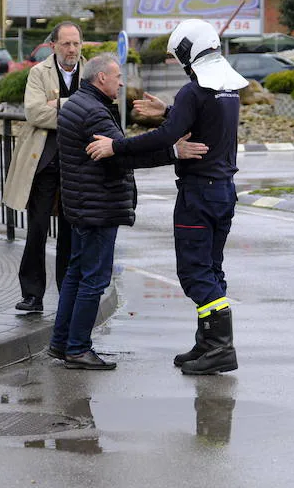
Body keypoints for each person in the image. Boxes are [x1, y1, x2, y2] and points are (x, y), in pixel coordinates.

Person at [86, 19, 247, 375]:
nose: (180, 63)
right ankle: (207, 343)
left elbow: (165, 138)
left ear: (191, 51)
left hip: (198, 195)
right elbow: (204, 122)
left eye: (180, 56)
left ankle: (220, 347)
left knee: (193, 272)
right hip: (223, 193)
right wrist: (169, 111)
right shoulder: (228, 88)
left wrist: (116, 145)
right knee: (211, 268)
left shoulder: (194, 90)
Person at [51, 54, 208, 370]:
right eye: (117, 76)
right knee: (93, 279)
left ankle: (62, 342)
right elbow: (122, 156)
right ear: (101, 78)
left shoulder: (77, 104)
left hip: (82, 204)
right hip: (99, 206)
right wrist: (173, 152)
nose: (122, 82)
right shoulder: (95, 113)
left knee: (76, 272)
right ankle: (78, 348)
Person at [2, 21, 84, 313]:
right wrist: (77, 107)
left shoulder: (90, 72)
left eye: (76, 43)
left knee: (70, 233)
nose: (72, 49)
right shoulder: (38, 73)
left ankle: (67, 291)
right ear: (53, 46)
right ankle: (32, 294)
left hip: (78, 166)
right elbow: (35, 113)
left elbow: (102, 111)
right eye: (66, 44)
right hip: (44, 162)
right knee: (36, 229)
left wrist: (58, 104)